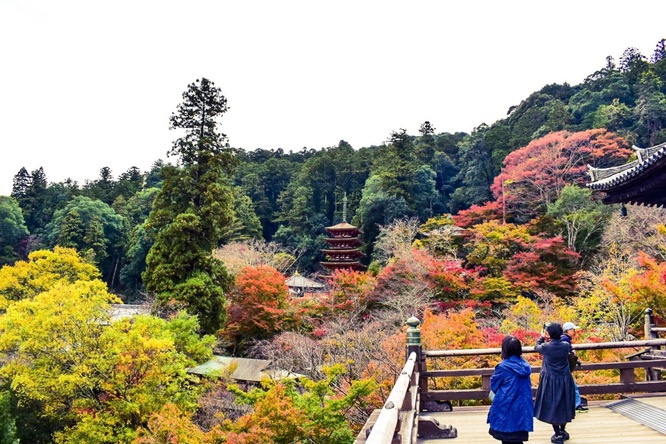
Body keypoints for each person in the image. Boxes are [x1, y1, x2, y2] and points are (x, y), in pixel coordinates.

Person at [534, 322, 576, 444]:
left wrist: (542, 337)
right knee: (565, 402)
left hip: (551, 379)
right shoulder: (565, 345)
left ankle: (557, 434)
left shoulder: (546, 347)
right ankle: (563, 430)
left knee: (553, 404)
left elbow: (536, 347)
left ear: (549, 334)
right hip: (565, 378)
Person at [487, 335, 534, 444]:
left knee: (507, 438)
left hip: (506, 407)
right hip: (522, 407)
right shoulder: (525, 366)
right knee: (517, 439)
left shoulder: (503, 367)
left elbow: (494, 386)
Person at [561, 321, 588, 412]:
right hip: (564, 368)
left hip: (561, 367)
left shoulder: (563, 339)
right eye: (573, 330)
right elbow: (567, 354)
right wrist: (573, 356)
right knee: (572, 386)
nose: (574, 332)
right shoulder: (565, 340)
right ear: (568, 330)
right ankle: (576, 404)